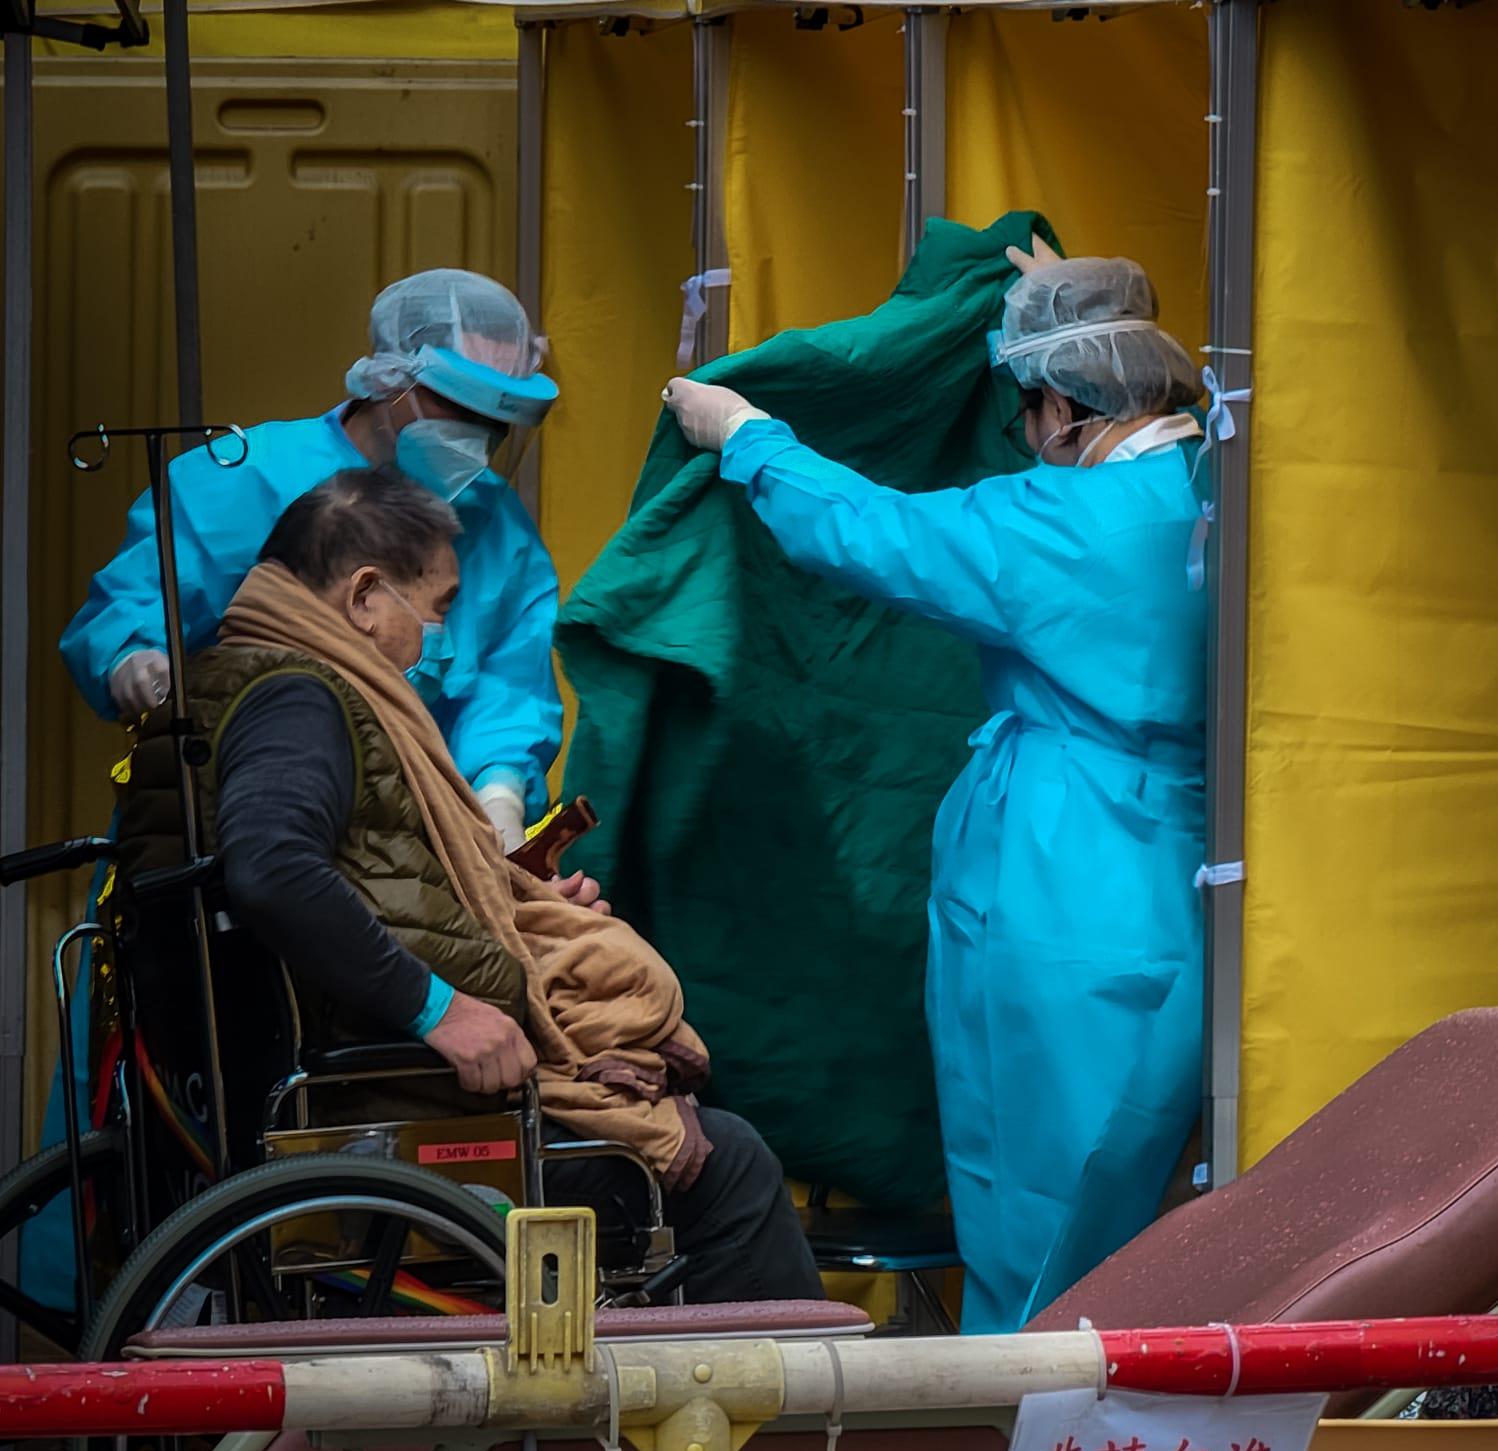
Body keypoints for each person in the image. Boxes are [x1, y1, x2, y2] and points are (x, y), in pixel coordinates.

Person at [662, 238, 1208, 1332]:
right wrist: (1075, 301)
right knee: (1147, 1185)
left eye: (1028, 407)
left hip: (1062, 879)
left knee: (1036, 1188)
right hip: (1184, 872)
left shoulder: (1060, 523)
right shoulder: (1225, 484)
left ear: (1058, 399)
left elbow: (873, 532)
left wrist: (751, 440)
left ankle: (1023, 1438)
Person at [118, 468, 822, 1304]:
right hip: (382, 1104)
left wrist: (518, 905)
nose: (436, 639)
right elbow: (274, 870)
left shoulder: (232, 684)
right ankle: (781, 1429)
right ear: (366, 596)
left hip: (329, 1081)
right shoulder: (299, 701)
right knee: (728, 1161)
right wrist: (440, 1010)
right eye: (438, 607)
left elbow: (372, 881)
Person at [62, 267, 564, 849]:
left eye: (496, 423)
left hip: (420, 835)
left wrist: (499, 791)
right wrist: (133, 659)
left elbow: (511, 683)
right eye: (460, 409)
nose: (478, 438)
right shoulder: (242, 478)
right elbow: (130, 604)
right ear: (389, 380)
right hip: (240, 816)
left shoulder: (498, 527)